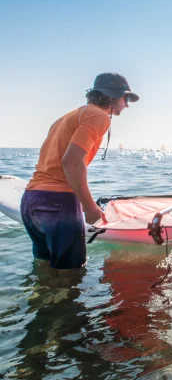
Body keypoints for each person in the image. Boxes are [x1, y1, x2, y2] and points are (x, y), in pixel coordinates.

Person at [20, 73, 139, 270]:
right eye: (125, 98)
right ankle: (65, 301)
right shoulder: (98, 116)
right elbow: (72, 162)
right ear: (111, 97)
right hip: (58, 202)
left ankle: (42, 300)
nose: (127, 105)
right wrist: (89, 207)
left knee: (44, 267)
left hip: (31, 199)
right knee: (70, 274)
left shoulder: (68, 116)